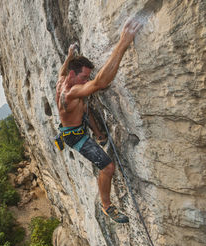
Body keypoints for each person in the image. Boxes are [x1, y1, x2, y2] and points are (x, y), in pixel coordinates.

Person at [55, 19, 142, 223]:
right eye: (84, 77)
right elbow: (101, 82)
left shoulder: (62, 80)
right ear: (74, 76)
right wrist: (123, 43)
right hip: (76, 138)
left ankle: (99, 134)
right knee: (108, 167)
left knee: (86, 108)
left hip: (73, 126)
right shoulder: (71, 92)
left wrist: (69, 56)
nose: (87, 79)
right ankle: (106, 206)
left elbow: (62, 70)